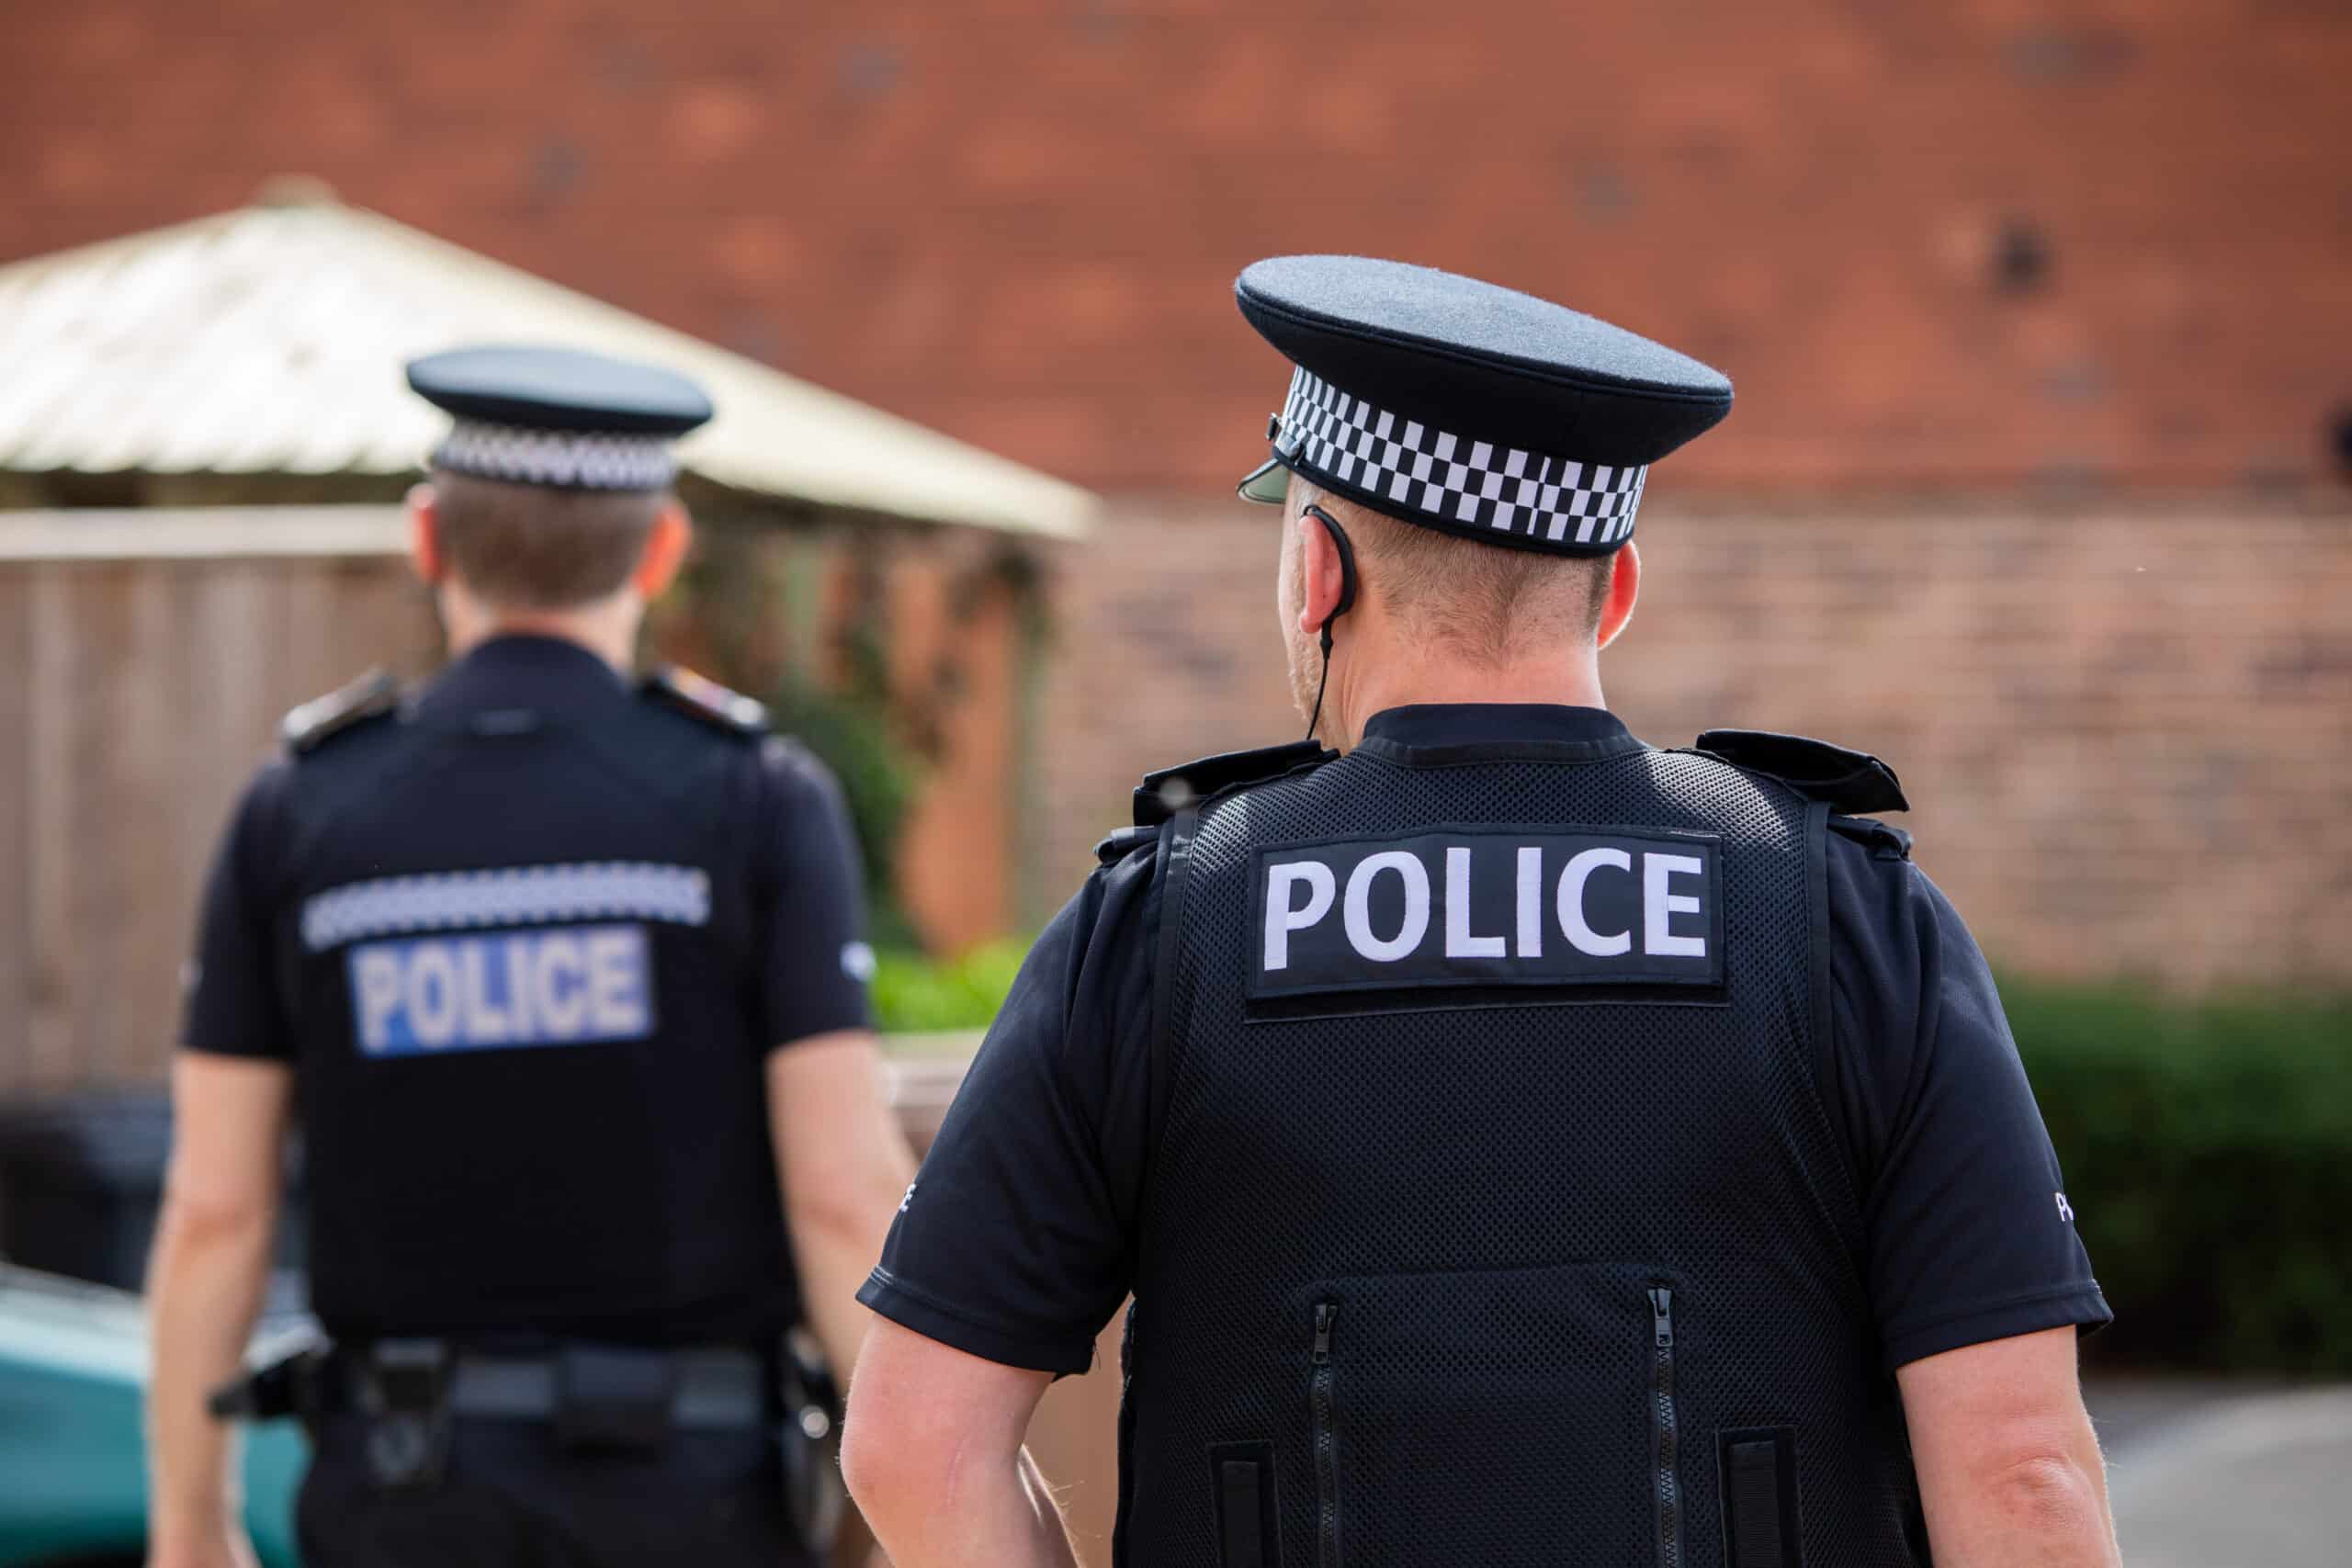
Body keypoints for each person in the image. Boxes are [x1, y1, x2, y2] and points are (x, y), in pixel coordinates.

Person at [841, 257, 2121, 1568]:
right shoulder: (1839, 913)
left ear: (1318, 576)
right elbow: (2023, 1476)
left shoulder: (1167, 925)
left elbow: (917, 1445)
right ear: (1614, 587)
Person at [147, 345, 915, 1568]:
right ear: (661, 550)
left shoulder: (302, 809)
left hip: (402, 1501)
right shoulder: (753, 799)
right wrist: (925, 1521)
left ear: (429, 540)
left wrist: (189, 1526)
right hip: (693, 1505)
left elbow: (213, 1214)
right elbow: (843, 1197)